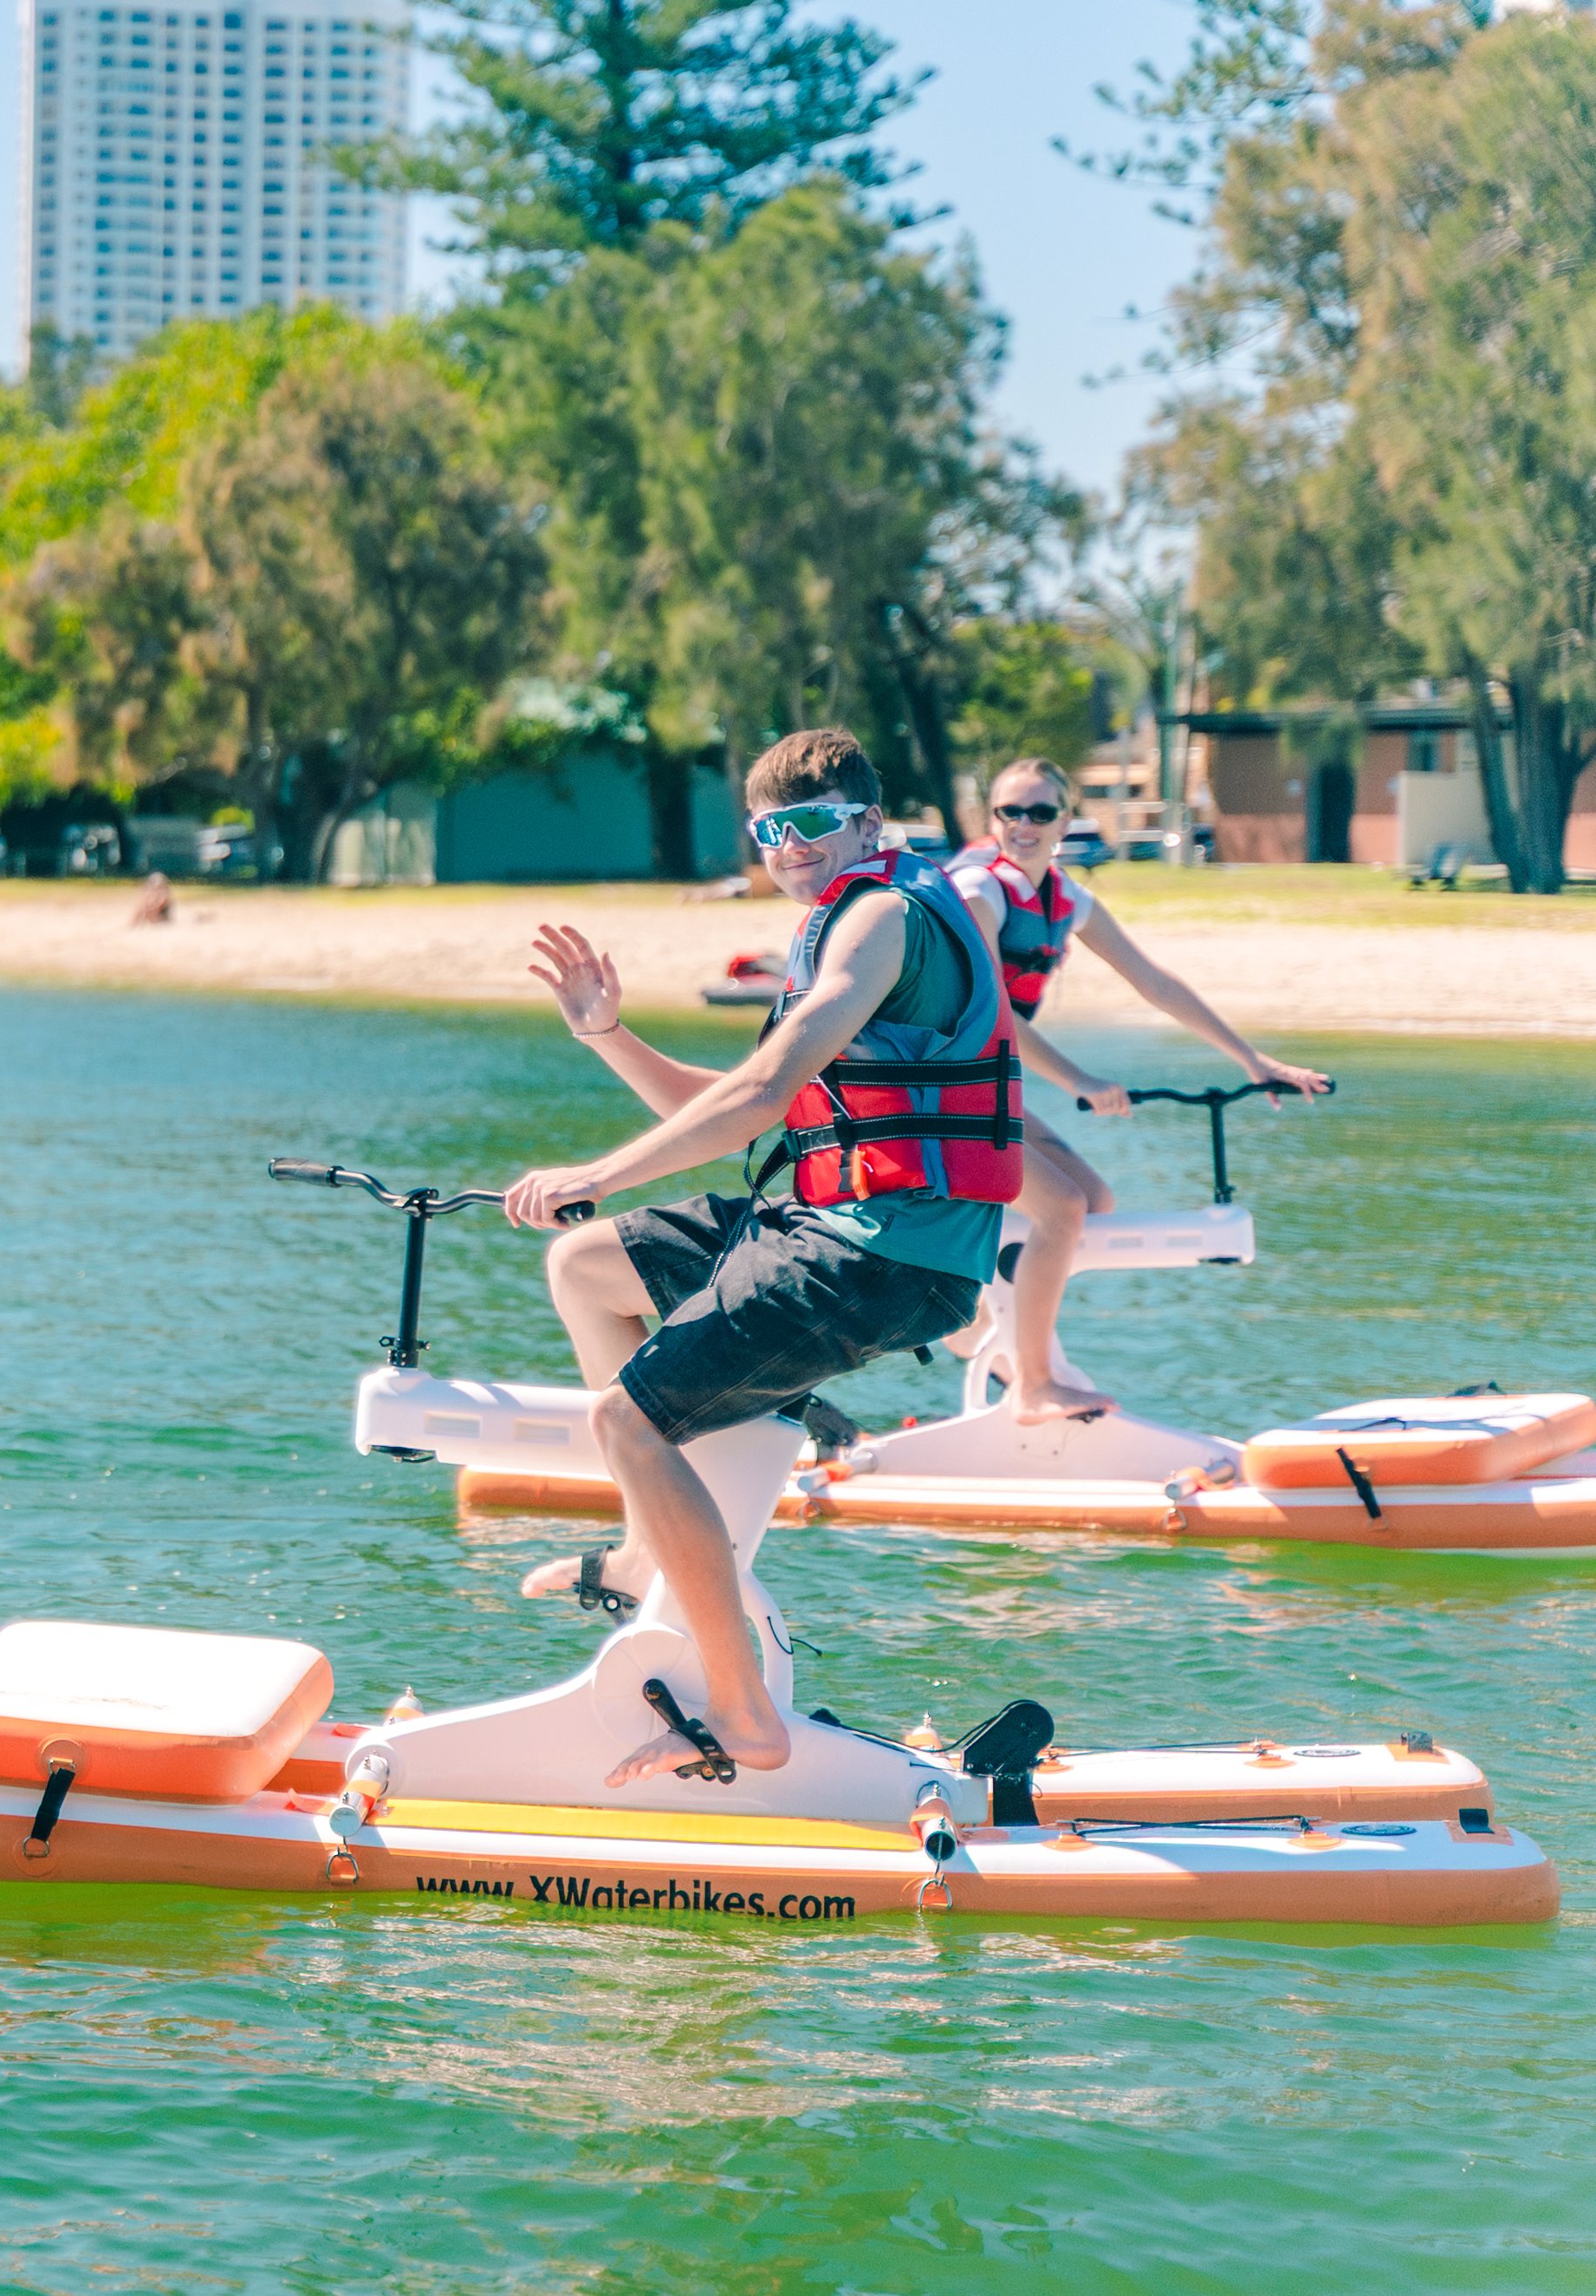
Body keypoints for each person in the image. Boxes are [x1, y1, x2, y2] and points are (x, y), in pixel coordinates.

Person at [504, 729, 1021, 1786]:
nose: (788, 851)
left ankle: (743, 1717)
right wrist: (607, 1034)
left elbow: (756, 1092)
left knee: (625, 1421)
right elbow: (744, 1112)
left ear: (869, 825)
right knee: (587, 1269)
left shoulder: (880, 918)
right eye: (767, 832)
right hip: (812, 1223)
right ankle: (653, 1544)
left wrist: (595, 1171)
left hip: (883, 1256)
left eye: (810, 827)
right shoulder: (837, 924)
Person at [946, 757, 1331, 1420]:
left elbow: (1153, 982)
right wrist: (1081, 1080)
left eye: (1041, 812)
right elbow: (991, 1014)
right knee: (1061, 1208)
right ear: (993, 820)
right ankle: (1030, 1382)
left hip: (987, 1086)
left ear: (1066, 820)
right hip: (939, 1088)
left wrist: (1250, 1059)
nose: (1025, 825)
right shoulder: (980, 890)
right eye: (1011, 812)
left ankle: (977, 1324)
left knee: (1092, 1200)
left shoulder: (1065, 899)